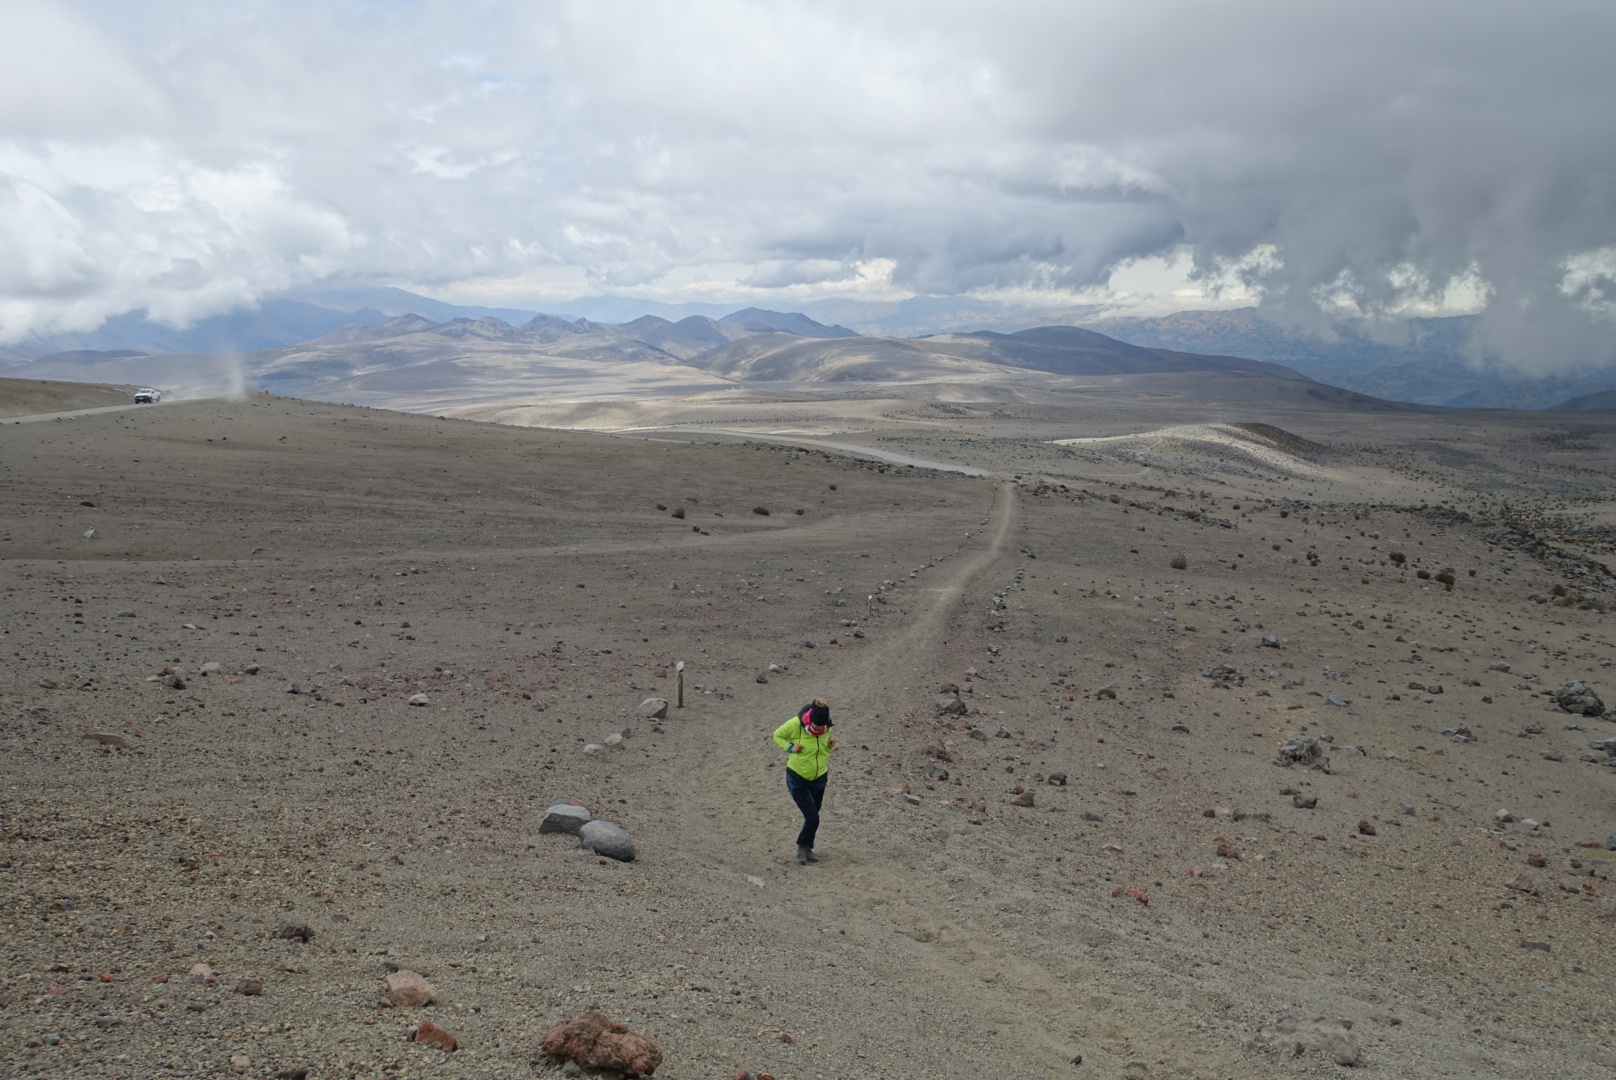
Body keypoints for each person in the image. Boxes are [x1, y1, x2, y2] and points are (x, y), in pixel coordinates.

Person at [773, 698, 836, 864]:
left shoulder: (826, 726)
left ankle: (808, 848)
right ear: (810, 719)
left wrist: (829, 745)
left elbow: (821, 749)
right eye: (816, 726)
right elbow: (777, 735)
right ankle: (801, 847)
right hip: (797, 778)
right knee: (812, 817)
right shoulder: (795, 724)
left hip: (819, 777)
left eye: (822, 727)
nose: (819, 729)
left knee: (813, 815)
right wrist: (789, 747)